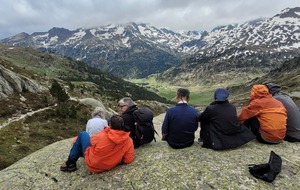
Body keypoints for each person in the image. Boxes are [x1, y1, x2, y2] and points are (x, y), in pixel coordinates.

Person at [60, 115, 134, 173]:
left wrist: (106, 130)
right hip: (110, 165)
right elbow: (128, 160)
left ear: (110, 124)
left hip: (93, 164)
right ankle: (72, 160)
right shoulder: (128, 141)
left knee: (83, 134)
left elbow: (92, 141)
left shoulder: (102, 135)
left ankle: (70, 162)